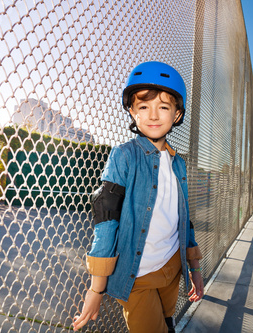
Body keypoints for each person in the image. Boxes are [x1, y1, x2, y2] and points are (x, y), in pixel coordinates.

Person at [73, 61, 204, 332]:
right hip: (138, 275)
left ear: (177, 114)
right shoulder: (124, 156)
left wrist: (194, 269)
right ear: (132, 112)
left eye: (164, 107)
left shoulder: (178, 163)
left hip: (172, 267)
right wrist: (96, 290)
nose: (153, 115)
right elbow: (106, 219)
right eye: (144, 107)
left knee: (168, 324)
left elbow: (185, 217)